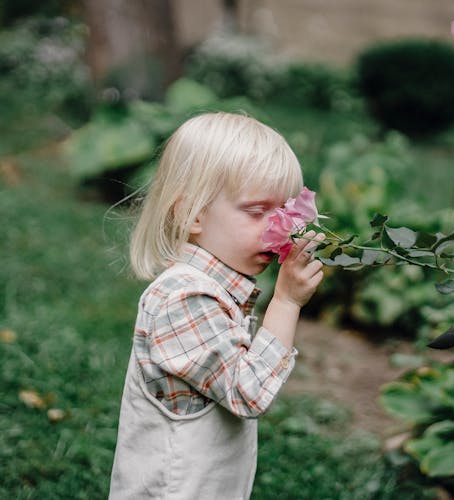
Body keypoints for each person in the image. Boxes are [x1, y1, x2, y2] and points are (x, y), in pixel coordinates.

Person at [109, 112, 324, 499]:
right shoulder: (185, 299)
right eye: (257, 212)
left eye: (285, 213)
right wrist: (287, 301)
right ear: (189, 214)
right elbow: (248, 392)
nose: (281, 229)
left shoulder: (214, 289)